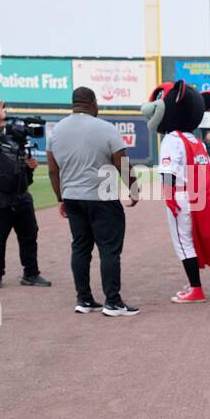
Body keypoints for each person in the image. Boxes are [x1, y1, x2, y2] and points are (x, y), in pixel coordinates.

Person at [139, 79, 210, 304]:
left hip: (181, 194)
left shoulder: (172, 139)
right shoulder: (196, 140)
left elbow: (168, 172)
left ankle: (196, 289)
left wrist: (169, 196)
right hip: (196, 195)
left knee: (183, 242)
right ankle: (193, 284)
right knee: (191, 240)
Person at [45, 87, 140, 316]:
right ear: (93, 103)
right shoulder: (106, 128)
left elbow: (52, 170)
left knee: (80, 247)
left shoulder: (57, 130)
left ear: (73, 104)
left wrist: (61, 198)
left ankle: (84, 300)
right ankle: (113, 302)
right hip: (102, 197)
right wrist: (134, 189)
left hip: (72, 197)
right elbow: (121, 163)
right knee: (109, 250)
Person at [0, 101, 51, 289]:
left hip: (21, 196)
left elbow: (23, 171)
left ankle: (30, 274)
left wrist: (29, 167)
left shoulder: (10, 140)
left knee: (29, 236)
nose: (2, 114)